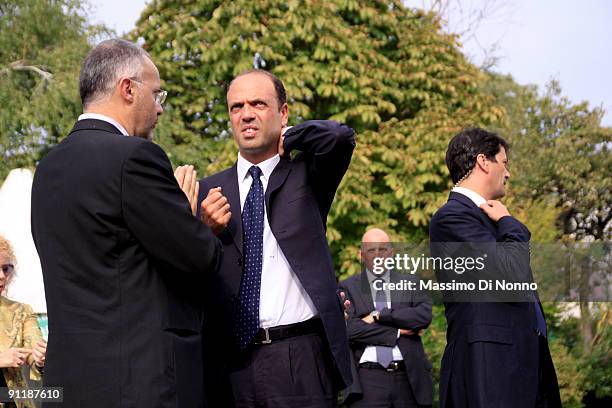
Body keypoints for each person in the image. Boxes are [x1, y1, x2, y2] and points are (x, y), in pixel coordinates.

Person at [30, 39, 222, 408]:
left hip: (69, 384)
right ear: (128, 89)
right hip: (136, 384)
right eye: (157, 93)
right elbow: (198, 258)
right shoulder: (135, 158)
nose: (160, 109)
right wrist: (192, 219)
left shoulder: (48, 168)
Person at [198, 69, 354, 407]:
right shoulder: (208, 192)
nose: (247, 114)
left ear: (283, 112)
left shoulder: (307, 174)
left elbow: (340, 137)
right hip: (231, 363)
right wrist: (202, 230)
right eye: (236, 107)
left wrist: (293, 136)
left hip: (299, 357)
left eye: (258, 104)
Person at [429, 127, 561, 408]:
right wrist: (509, 223)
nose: (509, 173)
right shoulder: (452, 217)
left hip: (520, 364)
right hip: (489, 367)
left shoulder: (486, 216)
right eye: (505, 163)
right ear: (483, 161)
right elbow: (509, 270)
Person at [339, 228, 433, 408]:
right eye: (371, 250)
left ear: (392, 252)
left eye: (382, 249)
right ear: (361, 254)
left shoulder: (411, 282)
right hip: (367, 380)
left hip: (408, 379)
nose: (377, 255)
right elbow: (349, 329)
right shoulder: (348, 286)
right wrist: (398, 331)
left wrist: (379, 316)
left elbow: (423, 316)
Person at [0, 235, 47, 408]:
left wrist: (40, 359)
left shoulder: (22, 311)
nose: (2, 276)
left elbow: (33, 352)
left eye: (6, 269)